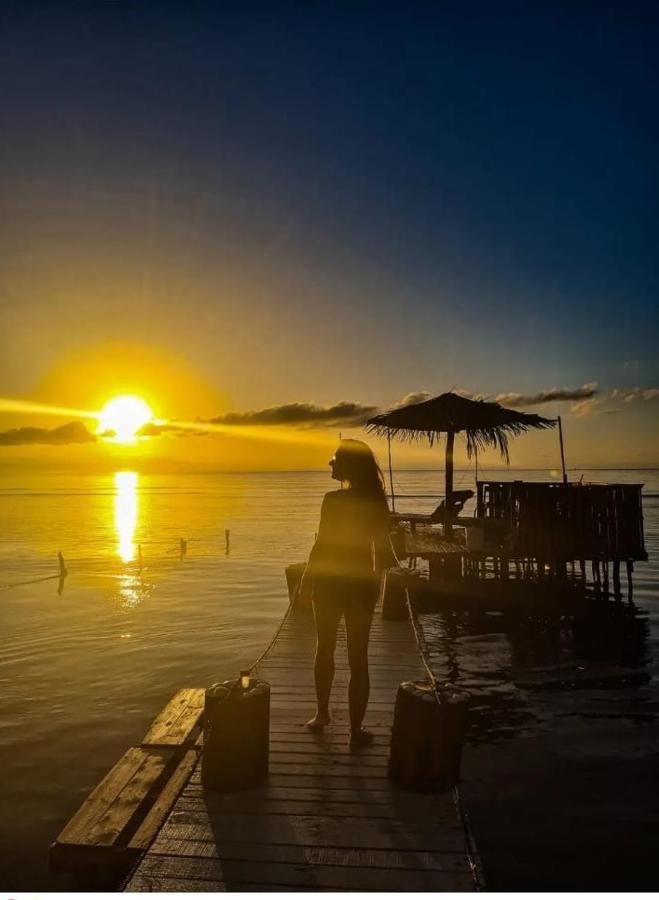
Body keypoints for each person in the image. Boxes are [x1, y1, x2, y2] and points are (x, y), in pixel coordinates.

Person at [299, 438, 396, 748]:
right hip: (359, 585)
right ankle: (355, 730)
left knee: (325, 649)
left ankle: (323, 714)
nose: (331, 463)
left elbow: (321, 544)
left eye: (335, 458)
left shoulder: (332, 500)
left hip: (329, 582)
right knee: (358, 659)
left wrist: (306, 579)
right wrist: (379, 585)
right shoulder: (376, 501)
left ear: (349, 465)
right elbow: (382, 551)